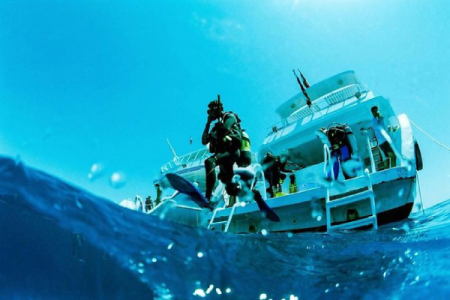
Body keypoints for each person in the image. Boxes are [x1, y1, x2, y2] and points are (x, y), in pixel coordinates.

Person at [202, 96, 242, 203]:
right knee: (229, 185)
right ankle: (249, 193)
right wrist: (208, 123)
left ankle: (208, 196)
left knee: (209, 161)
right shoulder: (215, 127)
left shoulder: (229, 116)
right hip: (223, 155)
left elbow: (226, 129)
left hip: (231, 151)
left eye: (211, 111)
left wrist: (217, 131)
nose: (210, 113)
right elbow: (204, 141)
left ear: (217, 108)